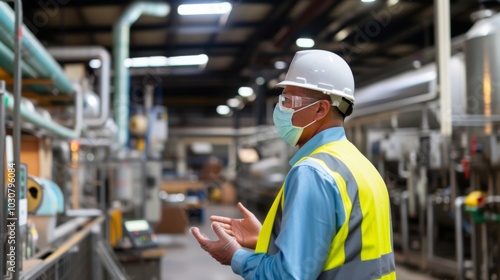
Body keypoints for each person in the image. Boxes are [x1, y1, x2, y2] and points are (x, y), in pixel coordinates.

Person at [191, 49, 396, 279]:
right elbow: (344, 245)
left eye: (289, 101)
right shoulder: (361, 165)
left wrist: (235, 256)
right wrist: (269, 238)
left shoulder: (313, 172)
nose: (281, 110)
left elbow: (288, 276)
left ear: (320, 109)